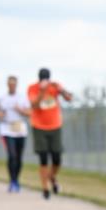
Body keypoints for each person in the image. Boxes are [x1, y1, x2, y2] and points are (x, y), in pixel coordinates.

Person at [27, 67, 74, 200]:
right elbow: (34, 105)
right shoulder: (33, 88)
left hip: (55, 126)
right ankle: (45, 188)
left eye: (46, 78)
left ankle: (52, 176)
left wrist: (61, 90)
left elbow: (69, 98)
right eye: (43, 78)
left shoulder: (55, 86)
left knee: (57, 158)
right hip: (39, 127)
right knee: (43, 158)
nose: (45, 81)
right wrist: (42, 90)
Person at [0, 75, 31, 192]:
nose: (12, 86)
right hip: (7, 129)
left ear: (16, 85)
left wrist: (20, 110)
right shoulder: (2, 98)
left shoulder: (22, 98)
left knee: (19, 157)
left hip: (20, 129)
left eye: (14, 84)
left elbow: (29, 113)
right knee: (12, 155)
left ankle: (16, 179)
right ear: (7, 85)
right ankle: (12, 181)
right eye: (10, 84)